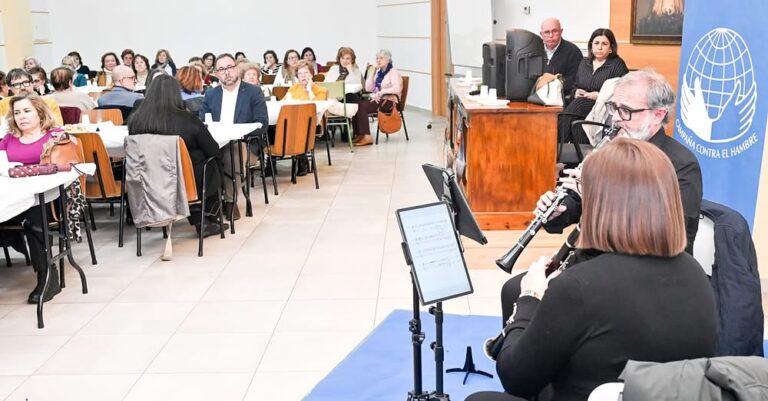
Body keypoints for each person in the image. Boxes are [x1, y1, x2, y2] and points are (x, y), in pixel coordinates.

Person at [469, 138, 716, 401]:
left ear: (601, 205)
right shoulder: (697, 275)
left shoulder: (579, 288)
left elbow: (516, 380)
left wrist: (530, 298)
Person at [500, 69, 703, 325]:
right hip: (591, 260)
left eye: (626, 111)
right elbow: (577, 205)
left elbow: (676, 238)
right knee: (512, 290)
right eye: (614, 108)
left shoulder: (680, 165)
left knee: (551, 300)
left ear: (658, 115)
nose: (616, 119)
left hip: (638, 274)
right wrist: (559, 211)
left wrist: (599, 198)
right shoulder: (610, 148)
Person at [126, 75, 225, 237]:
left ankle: (200, 217)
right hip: (187, 182)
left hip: (151, 180)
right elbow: (213, 149)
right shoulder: (188, 120)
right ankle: (206, 218)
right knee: (213, 161)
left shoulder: (136, 120)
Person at [0, 93, 71, 303]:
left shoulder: (56, 135)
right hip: (12, 196)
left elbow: (65, 170)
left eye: (27, 111)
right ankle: (14, 237)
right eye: (17, 112)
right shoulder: (8, 140)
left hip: (48, 200)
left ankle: (47, 275)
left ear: (40, 113)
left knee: (33, 211)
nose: (21, 116)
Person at [200, 53, 268, 220]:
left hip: (244, 142)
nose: (226, 72)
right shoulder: (210, 94)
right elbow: (203, 121)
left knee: (234, 151)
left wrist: (237, 132)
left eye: (230, 67)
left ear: (237, 69)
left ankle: (230, 201)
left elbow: (262, 123)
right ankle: (208, 204)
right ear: (216, 73)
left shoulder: (253, 92)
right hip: (217, 142)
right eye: (221, 69)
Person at [558, 28, 628, 144]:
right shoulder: (584, 63)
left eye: (604, 44)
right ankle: (577, 160)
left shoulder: (617, 64)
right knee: (578, 125)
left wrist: (600, 95)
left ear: (611, 48)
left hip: (603, 107)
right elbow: (575, 86)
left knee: (577, 105)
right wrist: (575, 92)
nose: (599, 47)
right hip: (581, 108)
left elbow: (625, 91)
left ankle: (557, 147)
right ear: (591, 46)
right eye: (596, 43)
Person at [350, 49, 402, 146]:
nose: (378, 60)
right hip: (379, 99)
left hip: (390, 102)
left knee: (362, 106)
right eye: (377, 58)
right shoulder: (378, 72)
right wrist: (373, 71)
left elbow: (397, 88)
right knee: (356, 105)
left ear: (388, 59)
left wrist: (381, 92)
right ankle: (360, 134)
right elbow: (368, 87)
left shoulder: (393, 72)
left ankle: (366, 136)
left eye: (381, 58)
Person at [539, 18, 583, 98]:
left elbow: (575, 80)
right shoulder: (534, 50)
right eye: (547, 32)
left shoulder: (573, 51)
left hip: (560, 98)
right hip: (535, 95)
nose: (551, 35)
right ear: (541, 34)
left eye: (554, 31)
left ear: (561, 31)